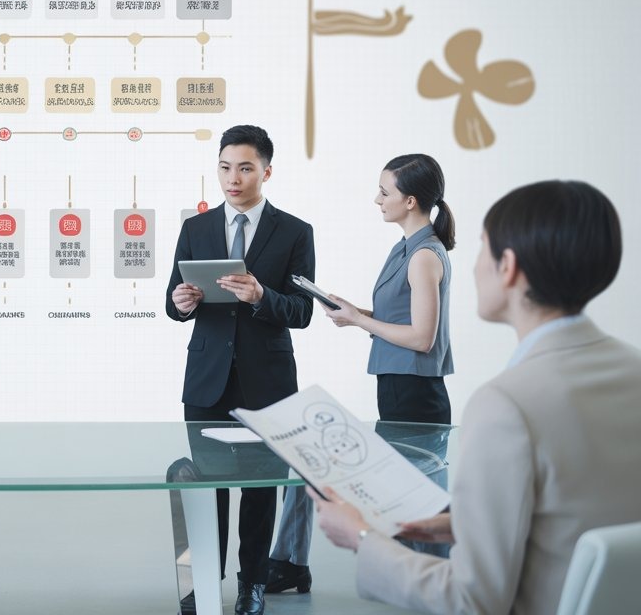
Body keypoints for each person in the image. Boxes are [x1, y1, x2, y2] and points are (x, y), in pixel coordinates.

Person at [309, 180, 641, 615]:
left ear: (509, 268)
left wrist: (362, 538)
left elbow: (472, 599)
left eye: (483, 248)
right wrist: (463, 526)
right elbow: (576, 517)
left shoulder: (506, 406)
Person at [267, 154, 457, 593]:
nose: (377, 199)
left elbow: (422, 338)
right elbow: (402, 321)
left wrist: (357, 320)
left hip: (418, 398)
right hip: (396, 389)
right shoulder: (404, 248)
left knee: (419, 504)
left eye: (385, 192)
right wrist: (355, 311)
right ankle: (290, 561)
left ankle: (442, 584)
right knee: (310, 463)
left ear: (410, 201)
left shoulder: (425, 256)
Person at [166, 125, 316, 615]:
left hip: (267, 383)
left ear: (266, 171)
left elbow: (302, 311)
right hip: (207, 380)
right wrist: (182, 302)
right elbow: (174, 303)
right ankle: (206, 581)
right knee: (208, 487)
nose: (233, 178)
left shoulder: (295, 231)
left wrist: (261, 296)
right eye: (226, 167)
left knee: (259, 488)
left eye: (246, 168)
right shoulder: (196, 229)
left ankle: (252, 585)